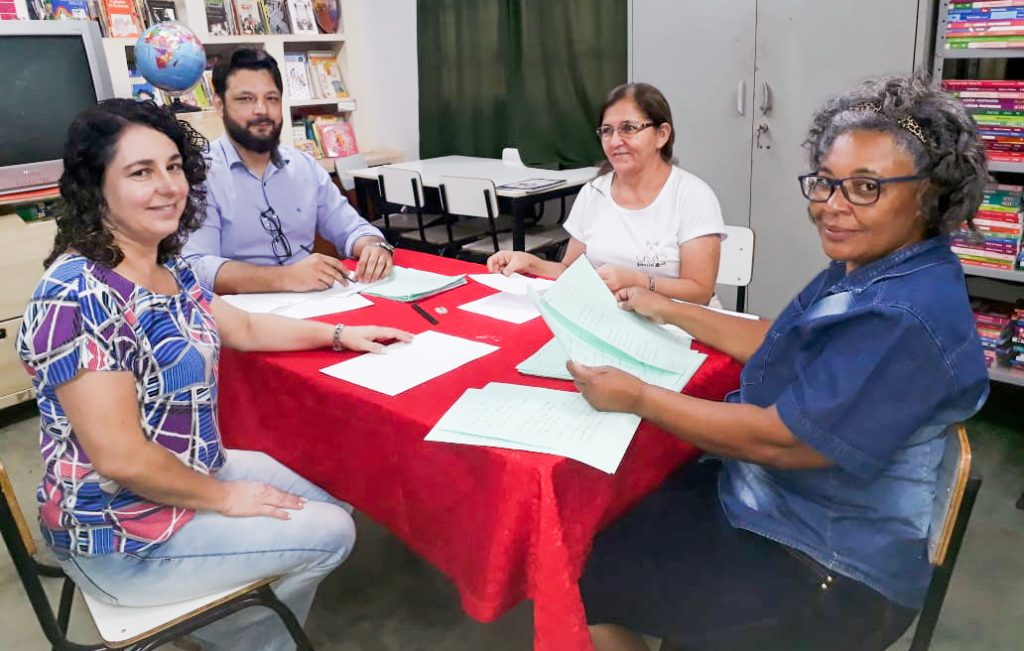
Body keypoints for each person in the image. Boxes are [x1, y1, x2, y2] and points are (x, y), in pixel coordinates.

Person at [567, 74, 990, 651]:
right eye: (826, 183)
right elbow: (780, 339)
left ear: (929, 194)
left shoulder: (904, 316)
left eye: (866, 187)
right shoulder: (873, 265)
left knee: (586, 581)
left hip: (828, 564)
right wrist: (665, 306)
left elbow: (784, 440)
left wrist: (639, 396)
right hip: (774, 500)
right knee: (598, 544)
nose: (832, 208)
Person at [17, 98, 412, 650]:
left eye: (173, 167)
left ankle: (232, 629)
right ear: (95, 188)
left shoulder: (164, 264)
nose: (168, 186)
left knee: (335, 500)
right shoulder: (78, 294)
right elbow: (122, 458)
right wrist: (225, 499)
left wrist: (343, 335)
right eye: (140, 172)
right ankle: (253, 639)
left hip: (186, 472)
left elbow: (244, 329)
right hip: (121, 534)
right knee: (331, 532)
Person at [487, 83, 726, 306]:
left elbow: (700, 292)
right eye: (607, 131)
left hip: (680, 325)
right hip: (611, 319)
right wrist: (531, 263)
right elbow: (571, 272)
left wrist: (641, 282)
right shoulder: (594, 192)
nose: (615, 141)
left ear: (662, 134)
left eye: (629, 128)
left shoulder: (692, 196)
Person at [182, 47, 394, 295]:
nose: (262, 110)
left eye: (271, 98)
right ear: (219, 105)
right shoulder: (199, 174)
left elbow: (354, 229)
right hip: (244, 317)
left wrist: (375, 247)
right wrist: (285, 278)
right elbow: (196, 265)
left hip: (316, 304)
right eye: (246, 99)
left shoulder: (305, 167)